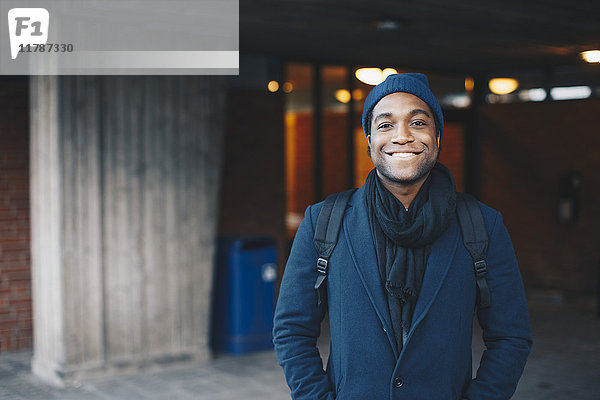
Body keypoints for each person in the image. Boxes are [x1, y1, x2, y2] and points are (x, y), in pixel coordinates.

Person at [273, 73, 532, 400]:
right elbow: (291, 331)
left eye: (418, 123)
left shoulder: (482, 223)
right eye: (385, 125)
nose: (402, 136)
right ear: (369, 141)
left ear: (438, 136)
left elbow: (511, 336)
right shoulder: (324, 220)